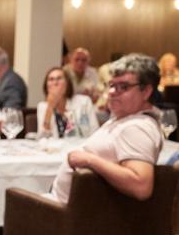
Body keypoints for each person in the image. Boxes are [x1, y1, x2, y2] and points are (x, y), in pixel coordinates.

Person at [51, 53, 163, 204]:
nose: (111, 92)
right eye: (111, 85)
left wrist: (89, 160)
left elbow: (141, 187)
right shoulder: (126, 119)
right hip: (67, 208)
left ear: (146, 91)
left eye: (123, 87)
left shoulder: (137, 127)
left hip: (64, 213)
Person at [37, 67, 99, 138]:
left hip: (80, 144)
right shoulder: (42, 106)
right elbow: (42, 138)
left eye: (59, 78)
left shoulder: (84, 102)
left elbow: (95, 132)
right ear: (47, 86)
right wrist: (50, 108)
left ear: (67, 83)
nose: (55, 82)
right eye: (51, 79)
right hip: (55, 145)